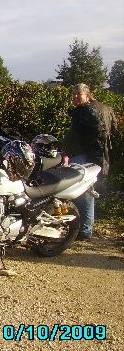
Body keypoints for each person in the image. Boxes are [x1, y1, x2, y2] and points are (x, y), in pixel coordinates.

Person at [62, 83, 110, 241]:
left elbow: (98, 130)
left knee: (85, 193)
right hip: (78, 155)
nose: (75, 97)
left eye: (79, 94)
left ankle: (85, 231)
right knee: (79, 193)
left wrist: (83, 146)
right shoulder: (83, 110)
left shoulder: (88, 110)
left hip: (84, 157)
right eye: (74, 94)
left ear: (87, 95)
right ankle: (81, 228)